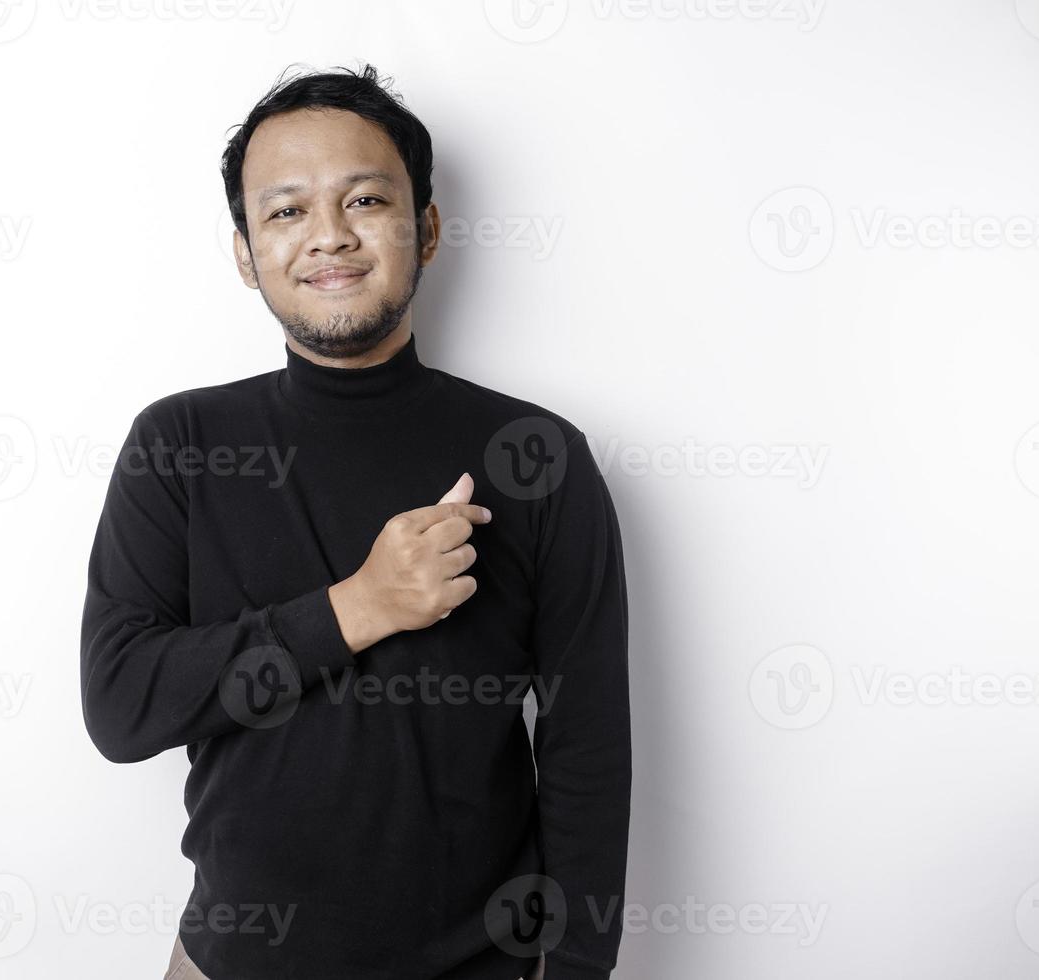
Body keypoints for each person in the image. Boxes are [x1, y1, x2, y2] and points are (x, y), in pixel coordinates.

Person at [81, 63, 631, 980]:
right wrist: (359, 606)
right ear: (246, 252)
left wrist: (575, 969)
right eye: (286, 211)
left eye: (366, 198)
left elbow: (586, 748)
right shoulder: (181, 442)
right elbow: (122, 705)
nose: (328, 236)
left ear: (426, 227)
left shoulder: (535, 455)